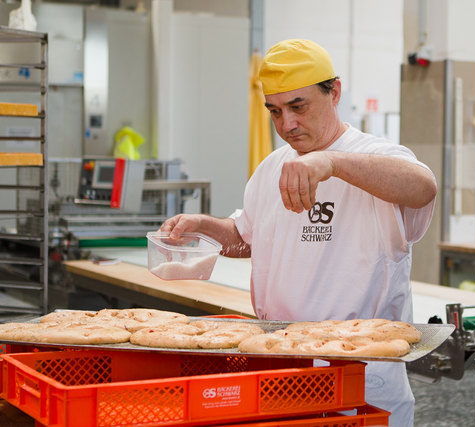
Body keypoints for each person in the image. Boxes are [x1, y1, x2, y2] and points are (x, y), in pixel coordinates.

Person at [160, 38, 437, 426]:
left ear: (334, 91)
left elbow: (423, 186)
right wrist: (205, 227)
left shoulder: (375, 155)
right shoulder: (272, 168)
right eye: (274, 111)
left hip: (359, 383)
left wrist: (331, 163)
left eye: (298, 107)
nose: (286, 124)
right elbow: (247, 237)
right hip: (281, 373)